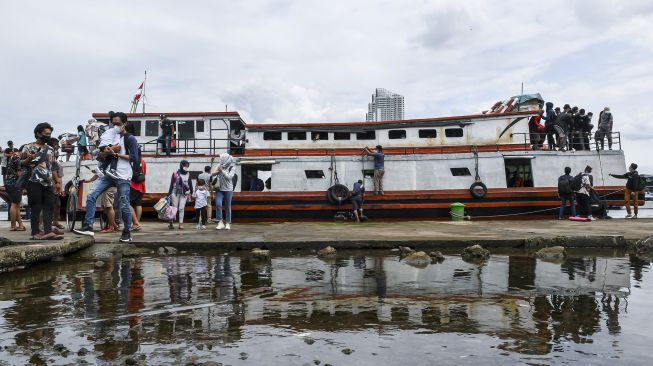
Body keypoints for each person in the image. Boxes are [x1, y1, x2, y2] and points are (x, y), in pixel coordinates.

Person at [74, 112, 138, 242]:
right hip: (108, 173)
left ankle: (127, 232)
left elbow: (134, 158)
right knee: (91, 196)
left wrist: (116, 154)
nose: (115, 126)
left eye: (118, 124)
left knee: (124, 203)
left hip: (123, 175)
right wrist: (106, 152)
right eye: (113, 123)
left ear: (124, 124)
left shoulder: (130, 139)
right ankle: (88, 226)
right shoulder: (109, 136)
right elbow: (100, 157)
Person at [20, 122, 63, 240]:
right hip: (33, 181)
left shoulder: (50, 149)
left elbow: (53, 166)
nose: (48, 136)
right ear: (38, 133)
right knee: (36, 206)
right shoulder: (27, 147)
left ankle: (48, 231)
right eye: (46, 134)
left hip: (48, 182)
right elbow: (20, 164)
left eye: (50, 134)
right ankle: (35, 233)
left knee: (49, 206)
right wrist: (28, 159)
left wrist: (57, 182)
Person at [211, 153, 236, 230]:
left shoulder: (232, 167)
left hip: (228, 189)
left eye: (222, 159)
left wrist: (222, 171)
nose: (220, 160)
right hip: (219, 188)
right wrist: (218, 171)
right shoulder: (219, 165)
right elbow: (212, 174)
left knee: (227, 206)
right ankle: (220, 222)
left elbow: (229, 177)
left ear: (226, 159)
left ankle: (228, 223)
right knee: (218, 204)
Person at [167, 160, 193, 230]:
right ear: (181, 165)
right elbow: (171, 184)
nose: (186, 167)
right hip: (175, 192)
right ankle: (171, 222)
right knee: (174, 208)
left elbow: (190, 184)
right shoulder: (175, 173)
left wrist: (191, 193)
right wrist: (168, 194)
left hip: (184, 194)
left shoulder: (188, 174)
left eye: (187, 166)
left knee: (181, 208)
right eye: (185, 166)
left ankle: (180, 224)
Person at [97, 112, 123, 179]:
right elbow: (117, 146)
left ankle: (102, 168)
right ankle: (112, 170)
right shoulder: (116, 132)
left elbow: (102, 137)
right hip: (107, 145)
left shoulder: (108, 131)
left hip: (102, 145)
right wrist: (115, 147)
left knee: (109, 158)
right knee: (114, 156)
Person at [5, 147, 25, 231]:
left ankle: (20, 224)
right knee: (14, 204)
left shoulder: (13, 157)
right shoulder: (17, 158)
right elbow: (19, 173)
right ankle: (13, 225)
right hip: (15, 183)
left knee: (16, 204)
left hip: (9, 182)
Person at [48, 138, 65, 230]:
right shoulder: (48, 155)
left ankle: (55, 221)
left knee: (57, 204)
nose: (58, 147)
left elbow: (59, 176)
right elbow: (53, 172)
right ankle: (42, 223)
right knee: (47, 205)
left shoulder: (57, 161)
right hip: (48, 183)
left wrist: (60, 187)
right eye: (56, 145)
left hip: (55, 185)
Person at [129, 155, 146, 231]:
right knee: (138, 204)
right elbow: (144, 173)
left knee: (128, 203)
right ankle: (137, 223)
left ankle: (136, 223)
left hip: (133, 185)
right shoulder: (143, 161)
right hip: (141, 185)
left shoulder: (131, 160)